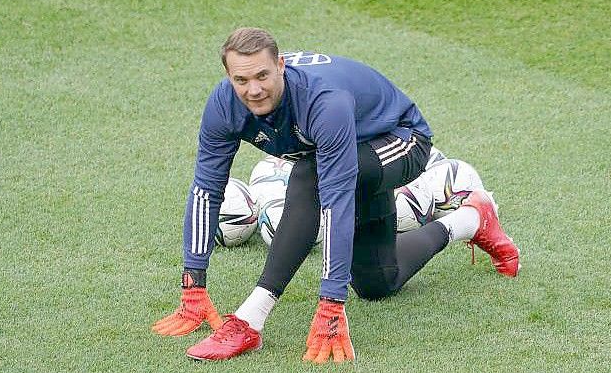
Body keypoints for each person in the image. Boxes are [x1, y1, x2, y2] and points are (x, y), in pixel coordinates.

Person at [151, 27, 520, 363]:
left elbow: (336, 200)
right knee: (378, 282)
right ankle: (472, 217)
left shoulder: (322, 101)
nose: (254, 90)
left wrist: (331, 303)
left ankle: (249, 320)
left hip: (398, 139)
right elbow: (206, 189)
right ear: (229, 77)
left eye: (262, 75)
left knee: (309, 177)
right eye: (241, 80)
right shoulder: (224, 104)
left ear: (280, 65)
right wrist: (193, 286)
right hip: (343, 145)